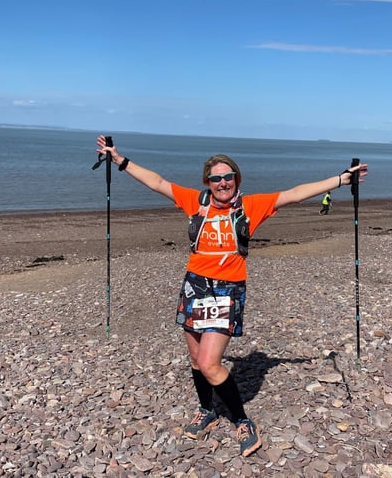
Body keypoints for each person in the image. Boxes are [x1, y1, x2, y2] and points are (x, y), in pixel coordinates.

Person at [94, 135, 368, 457]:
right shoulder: (195, 202)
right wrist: (120, 160)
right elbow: (157, 182)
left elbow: (294, 194)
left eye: (228, 177)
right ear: (207, 182)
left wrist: (340, 179)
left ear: (236, 179)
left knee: (211, 363)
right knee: (196, 360)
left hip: (227, 289)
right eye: (216, 178)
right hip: (194, 285)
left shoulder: (251, 206)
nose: (222, 182)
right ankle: (206, 409)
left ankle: (241, 420)